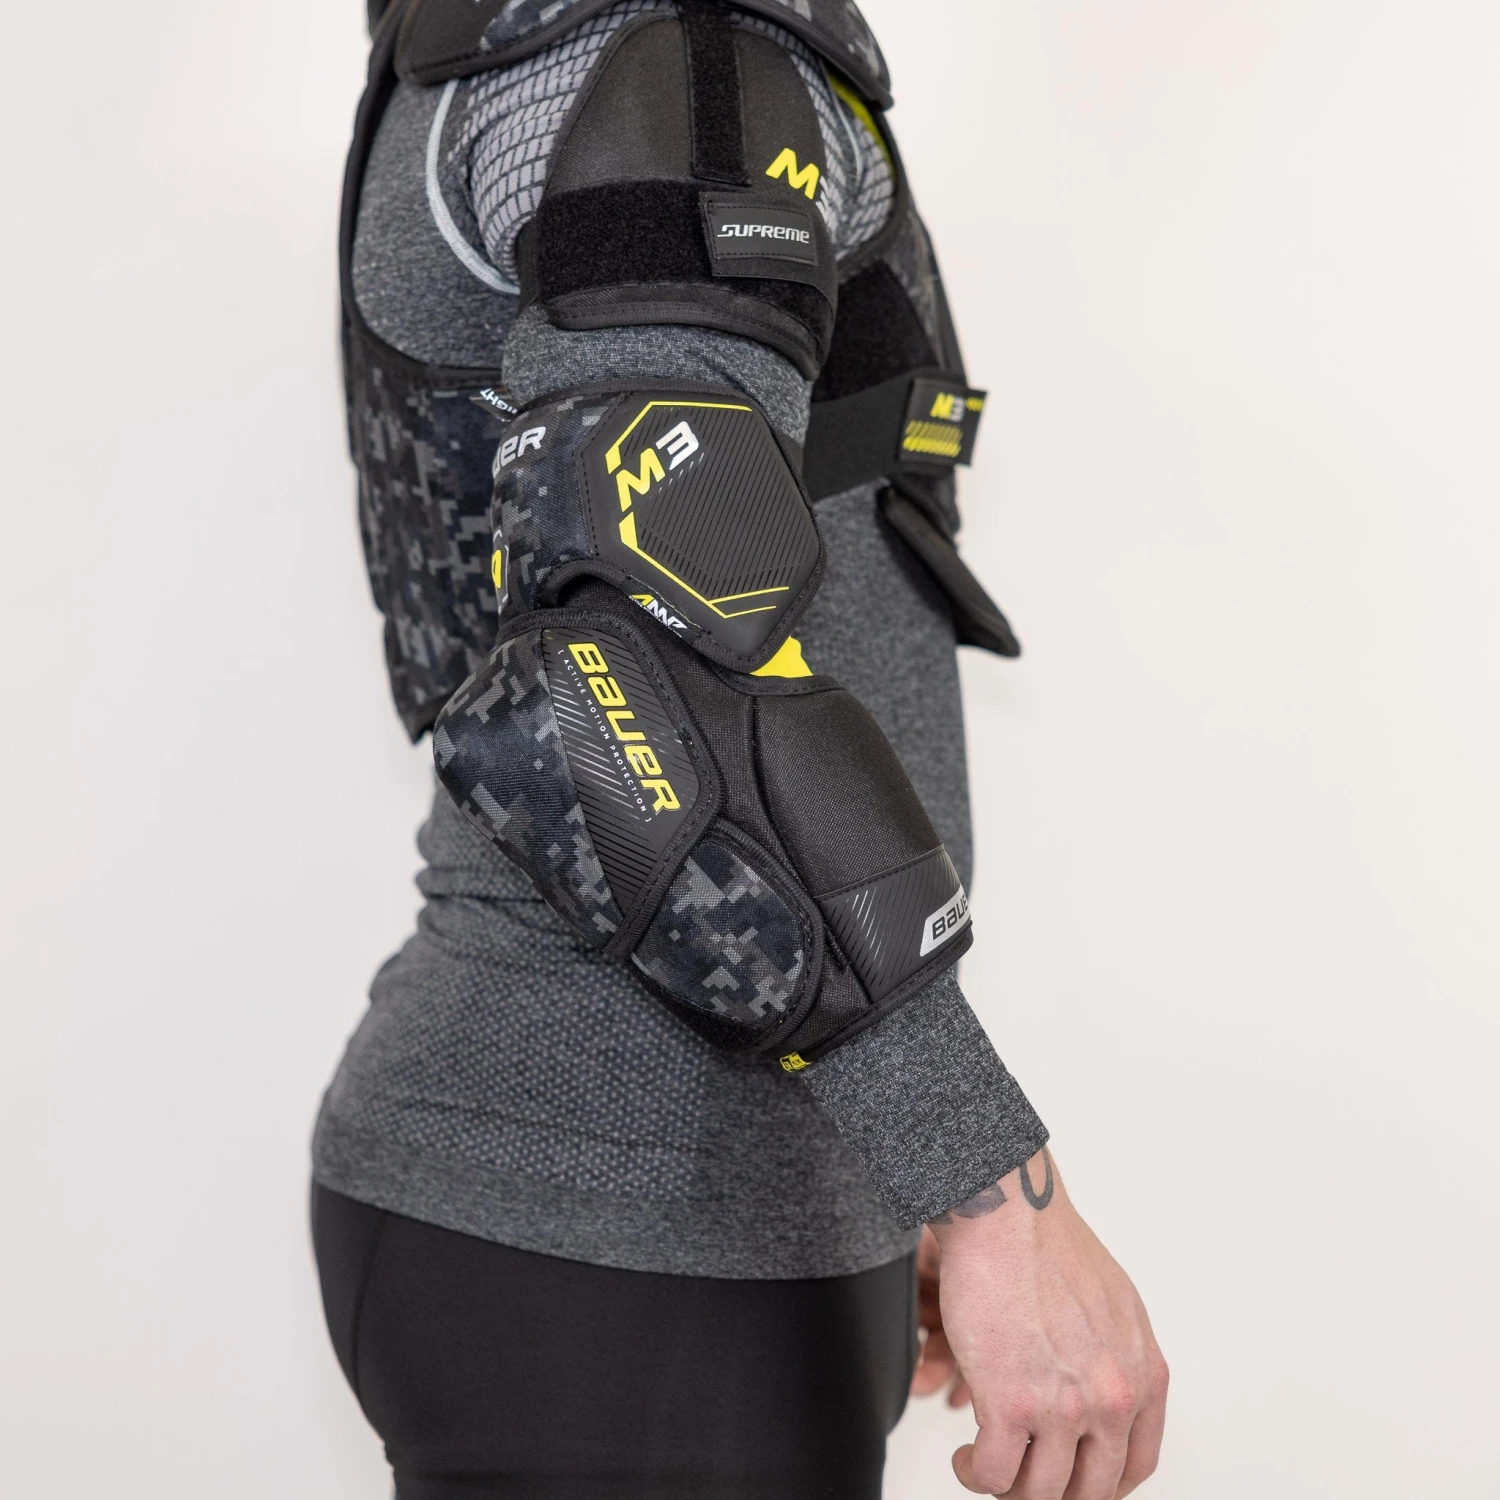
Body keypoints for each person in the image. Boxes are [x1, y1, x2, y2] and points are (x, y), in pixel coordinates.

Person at [311, 2, 1169, 1496]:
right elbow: (647, 663)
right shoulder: (667, 48)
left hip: (662, 1209)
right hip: (617, 1216)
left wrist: (885, 1160)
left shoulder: (562, 45)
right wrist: (987, 1188)